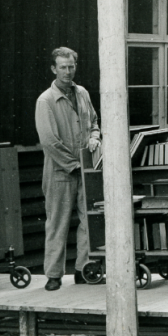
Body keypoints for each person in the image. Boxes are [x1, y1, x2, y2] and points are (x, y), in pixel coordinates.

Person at [35, 47, 102, 291]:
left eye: (71, 66)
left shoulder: (82, 93)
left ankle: (84, 270)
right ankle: (53, 274)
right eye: (62, 67)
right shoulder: (46, 101)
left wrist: (95, 138)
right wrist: (74, 165)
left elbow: (94, 121)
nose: (67, 71)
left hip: (86, 168)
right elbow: (49, 141)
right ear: (54, 69)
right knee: (57, 223)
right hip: (60, 173)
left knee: (89, 220)